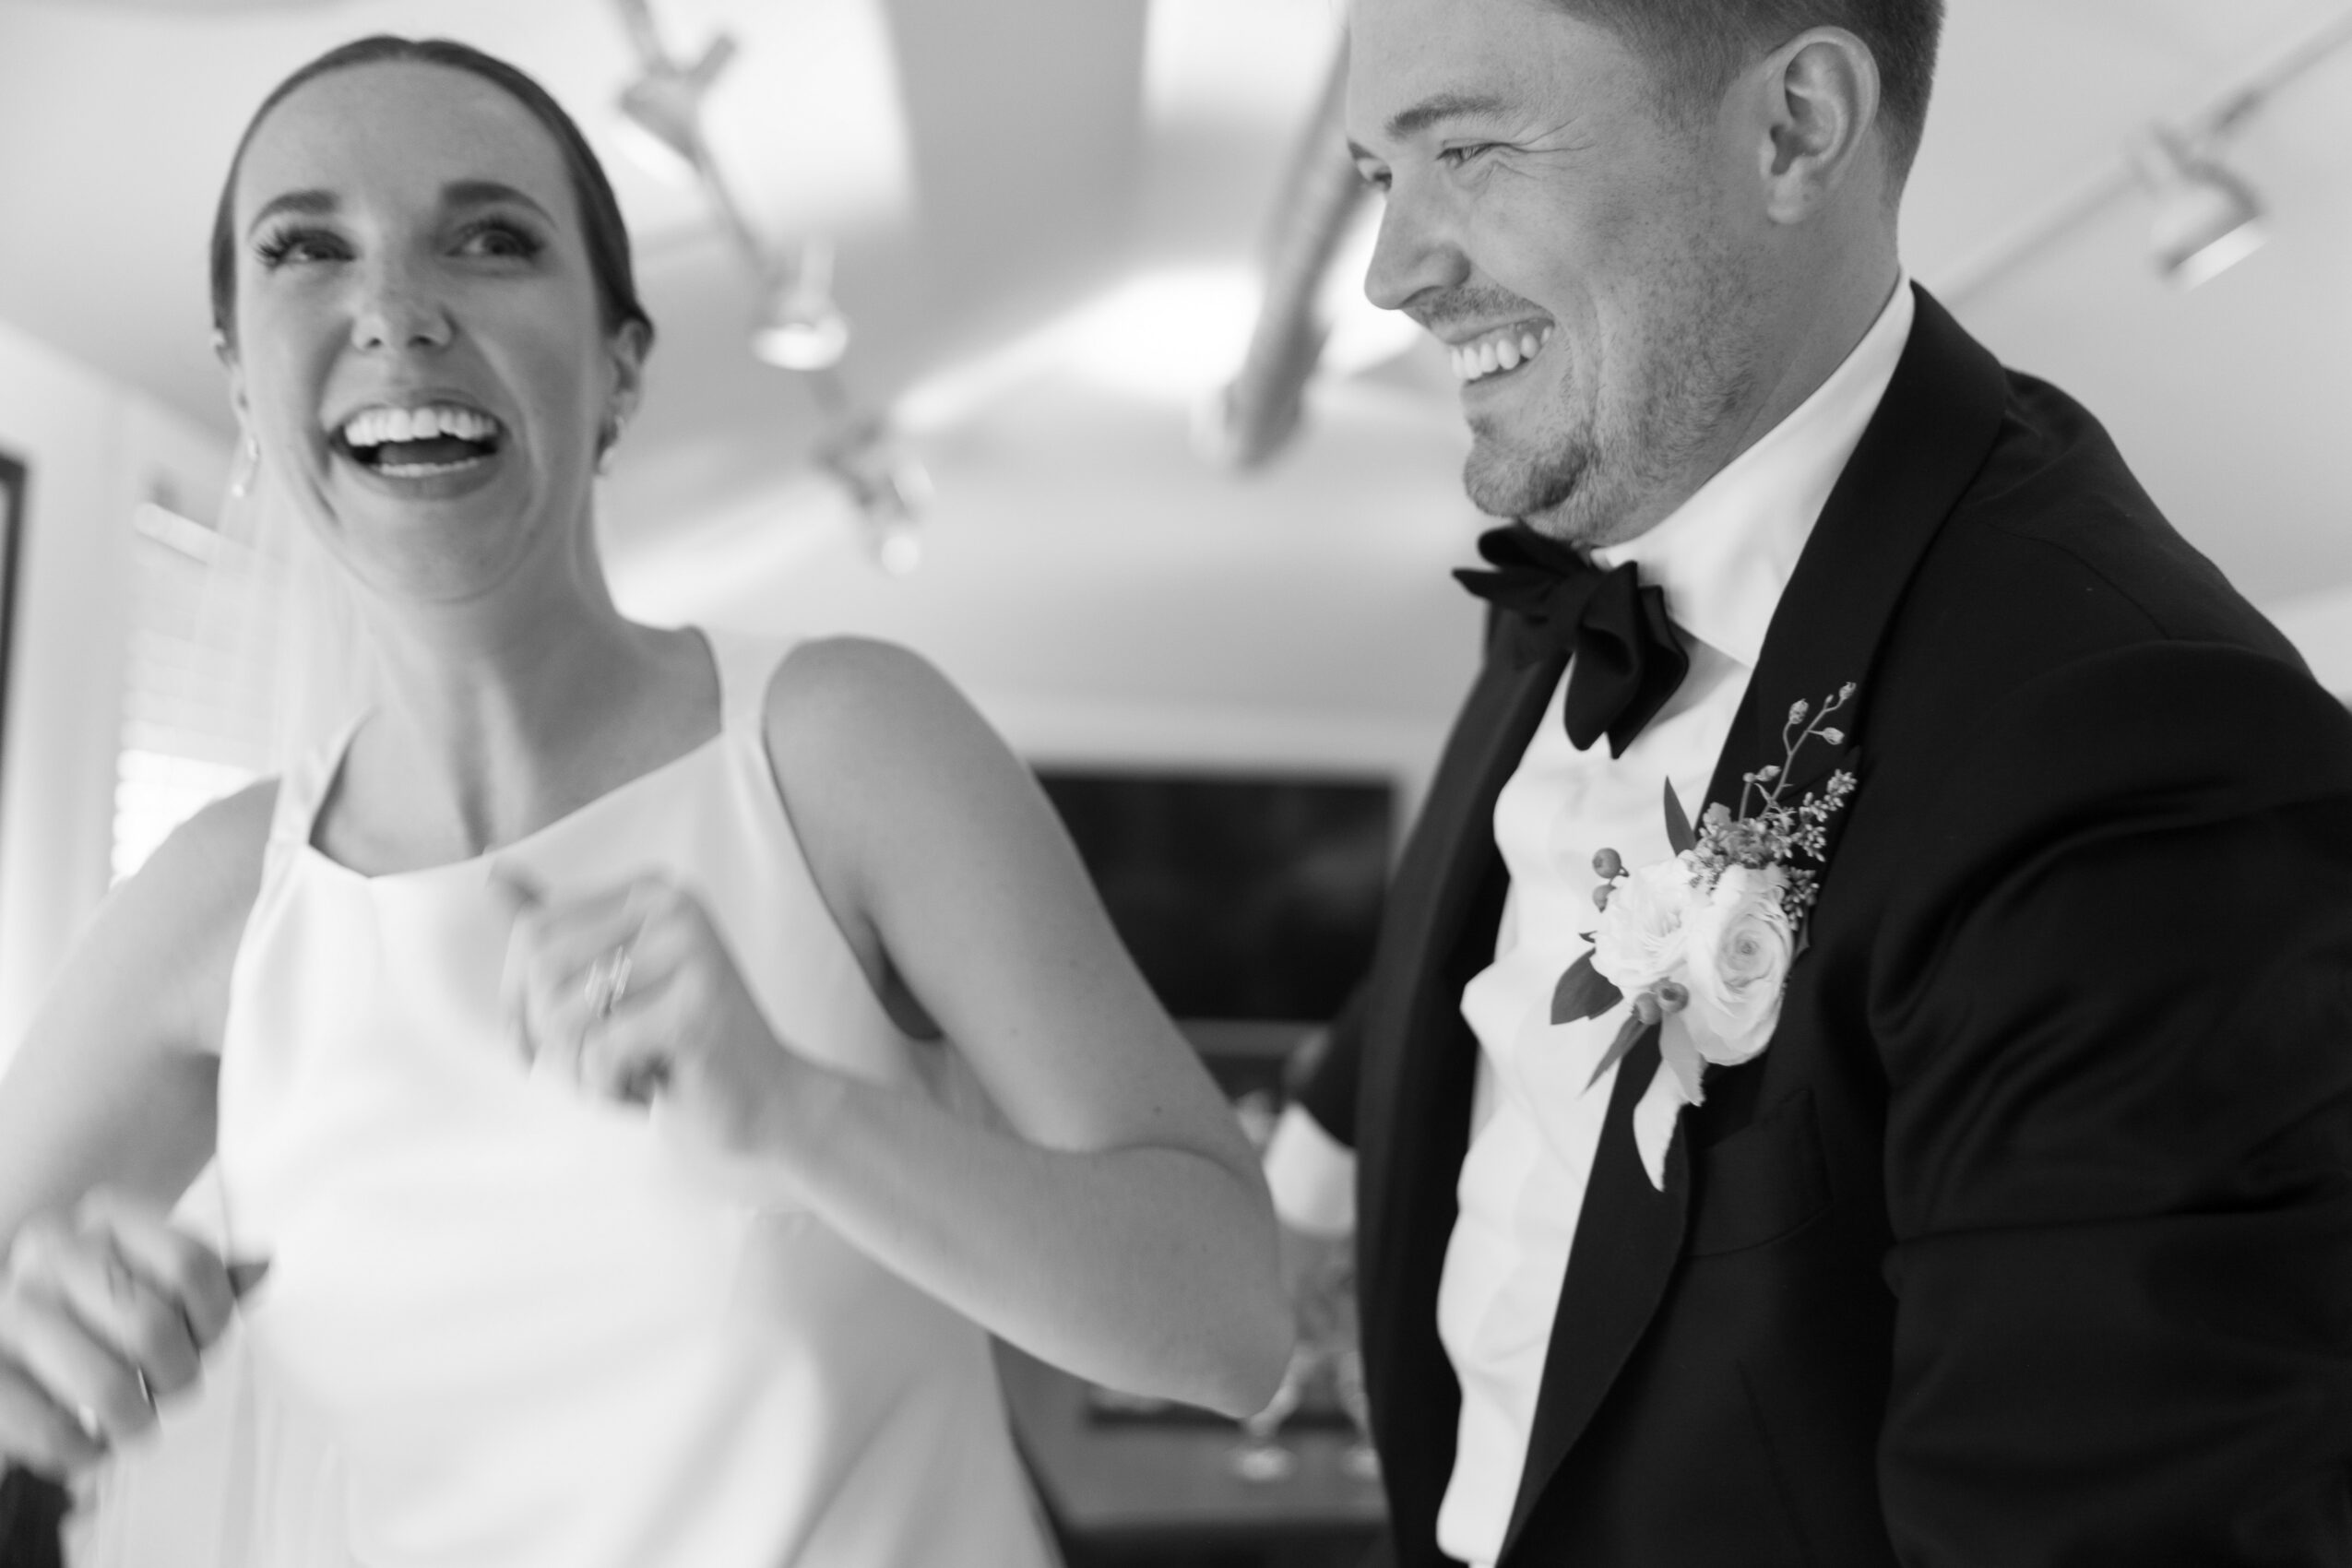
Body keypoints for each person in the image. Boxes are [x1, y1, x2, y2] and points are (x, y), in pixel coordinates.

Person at [0, 35, 1289, 1567]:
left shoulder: (841, 746)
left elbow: (1229, 1327)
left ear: (620, 365)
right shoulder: (217, 903)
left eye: (490, 241)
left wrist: (802, 1118)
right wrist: (39, 1345)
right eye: (306, 248)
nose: (397, 311)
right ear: (236, 373)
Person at [1262, 0, 2352, 1563]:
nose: (1390, 270)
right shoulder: (1590, 558)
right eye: (1378, 173)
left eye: (1472, 147)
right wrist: (1314, 1137)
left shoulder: (2135, 752)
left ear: (1795, 130)